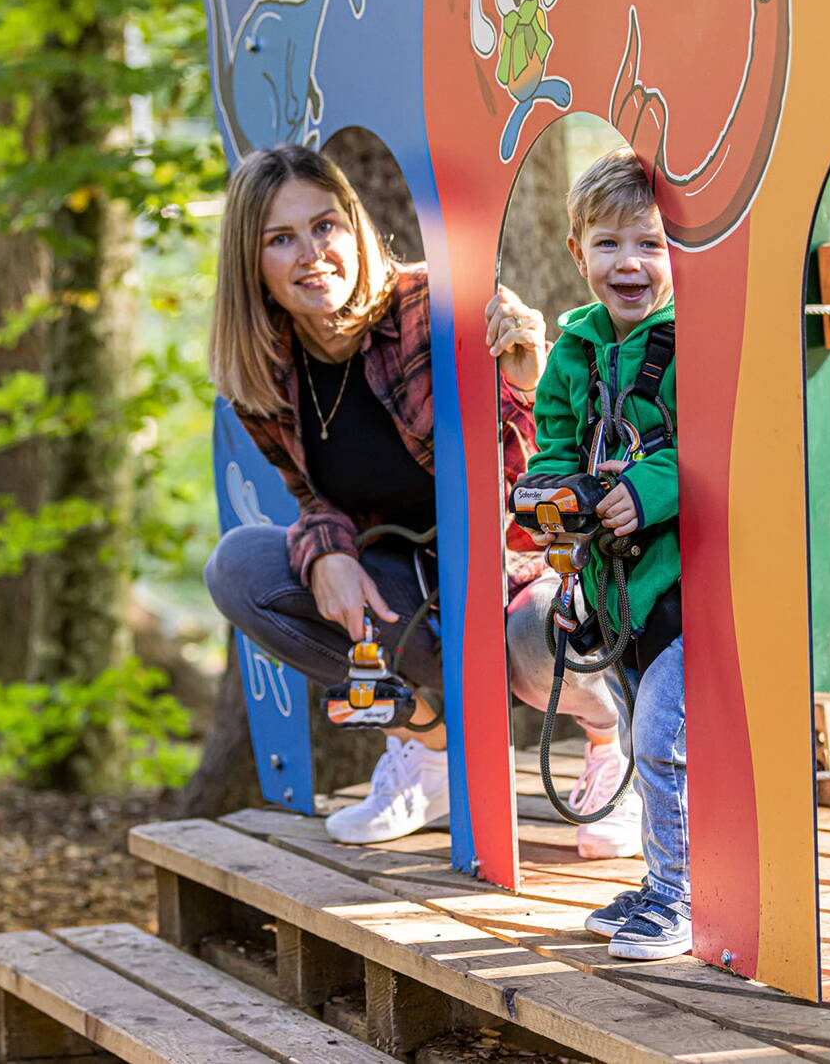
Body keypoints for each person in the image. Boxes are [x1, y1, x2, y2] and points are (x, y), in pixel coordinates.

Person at [203, 144, 633, 850]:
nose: (312, 254)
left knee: (535, 638)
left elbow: (542, 468)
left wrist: (526, 382)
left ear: (353, 227)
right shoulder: (263, 373)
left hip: (520, 570)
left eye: (325, 226)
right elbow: (311, 497)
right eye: (281, 238)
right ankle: (429, 748)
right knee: (239, 567)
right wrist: (326, 554)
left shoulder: (431, 305)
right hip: (416, 589)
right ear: (251, 262)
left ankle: (616, 749)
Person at [509, 147, 688, 959]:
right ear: (576, 251)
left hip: (681, 583)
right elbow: (553, 440)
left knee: (661, 741)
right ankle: (663, 880)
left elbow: (713, 440)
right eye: (609, 243)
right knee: (648, 734)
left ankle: (681, 897)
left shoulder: (690, 342)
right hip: (614, 590)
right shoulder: (576, 349)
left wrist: (648, 487)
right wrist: (551, 496)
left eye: (651, 243)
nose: (630, 263)